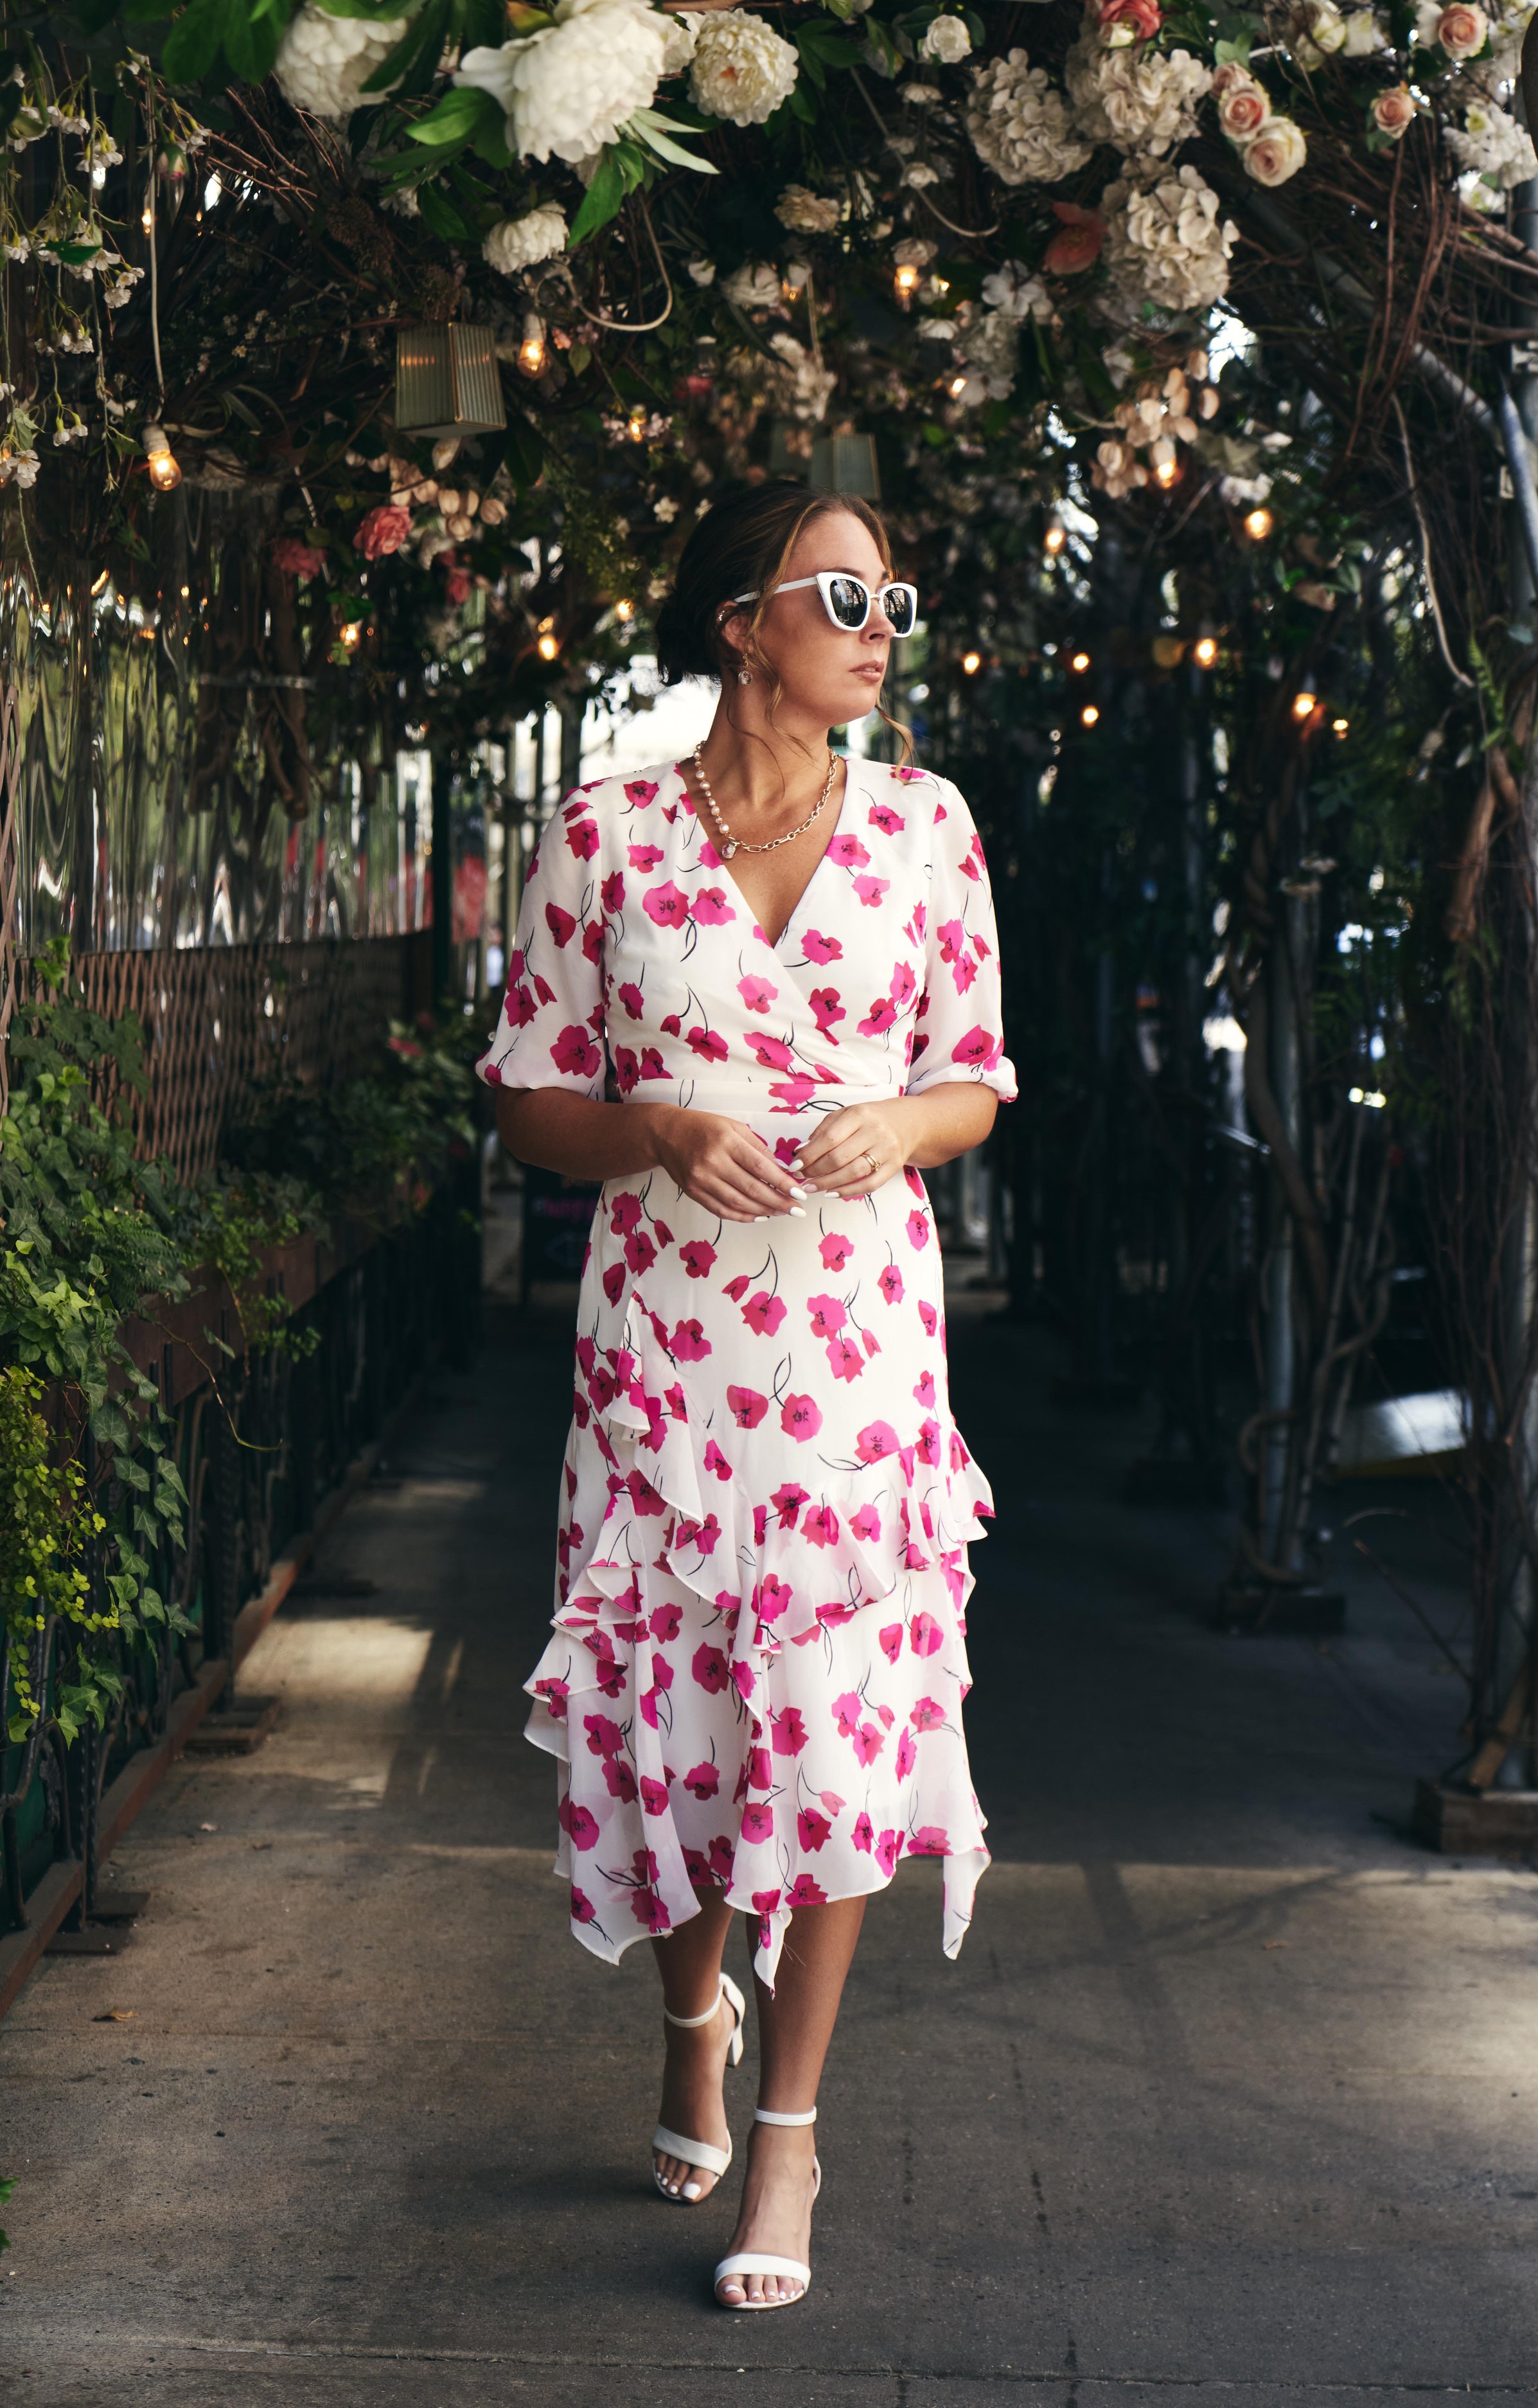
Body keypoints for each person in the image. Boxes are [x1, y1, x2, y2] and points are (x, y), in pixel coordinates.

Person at [479, 481, 1016, 2310]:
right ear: (740, 620)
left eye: (892, 598)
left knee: (837, 1717)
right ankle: (690, 2020)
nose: (881, 628)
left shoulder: (929, 828)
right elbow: (526, 1094)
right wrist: (654, 1128)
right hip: (667, 1357)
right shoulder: (604, 835)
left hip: (856, 1346)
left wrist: (904, 1122)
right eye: (844, 595)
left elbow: (975, 1076)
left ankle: (787, 2130)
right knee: (686, 1714)